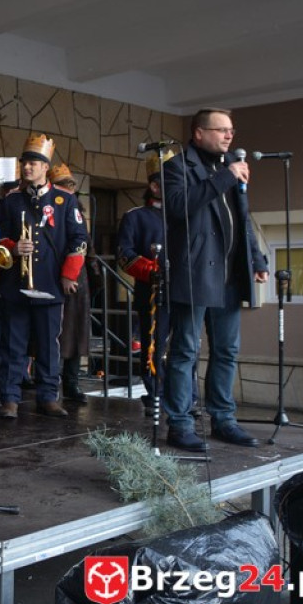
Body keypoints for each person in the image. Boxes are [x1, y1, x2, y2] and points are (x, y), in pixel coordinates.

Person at [162, 108, 269, 452]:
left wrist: (255, 257)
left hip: (229, 276)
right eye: (220, 130)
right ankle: (180, 424)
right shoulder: (176, 167)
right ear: (198, 133)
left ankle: (223, 419)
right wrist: (225, 178)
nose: (228, 136)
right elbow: (179, 206)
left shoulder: (228, 170)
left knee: (226, 351)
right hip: (194, 274)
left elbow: (242, 219)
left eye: (231, 130)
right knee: (185, 352)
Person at [0, 134, 88, 419]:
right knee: (12, 344)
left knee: (49, 344)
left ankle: (48, 396)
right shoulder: (10, 201)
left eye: (33, 163)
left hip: (50, 283)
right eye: (25, 163)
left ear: (46, 167)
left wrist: (70, 275)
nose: (27, 168)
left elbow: (79, 240)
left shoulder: (65, 201)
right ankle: (9, 398)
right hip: (15, 285)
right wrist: (11, 245)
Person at [117, 152, 173, 412]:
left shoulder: (184, 216)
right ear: (154, 185)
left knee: (186, 347)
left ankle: (186, 397)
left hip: (185, 291)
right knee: (153, 348)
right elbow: (124, 255)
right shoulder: (135, 216)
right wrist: (153, 270)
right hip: (153, 291)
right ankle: (156, 394)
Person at [47, 163, 99, 404]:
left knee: (76, 332)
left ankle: (71, 382)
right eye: (62, 186)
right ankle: (50, 383)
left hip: (77, 277)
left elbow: (84, 243)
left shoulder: (74, 207)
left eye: (69, 186)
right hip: (53, 274)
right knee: (56, 333)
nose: (68, 190)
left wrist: (91, 273)